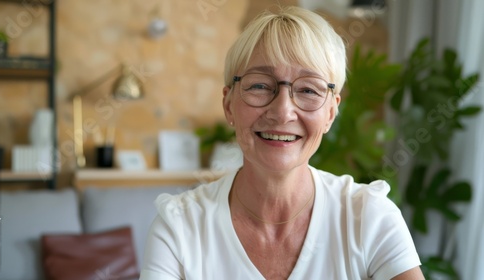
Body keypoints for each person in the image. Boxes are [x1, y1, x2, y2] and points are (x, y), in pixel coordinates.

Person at [140, 6, 424, 280]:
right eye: (260, 85)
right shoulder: (179, 226)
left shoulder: (369, 218)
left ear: (330, 114)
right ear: (229, 105)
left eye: (308, 89)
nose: (282, 111)